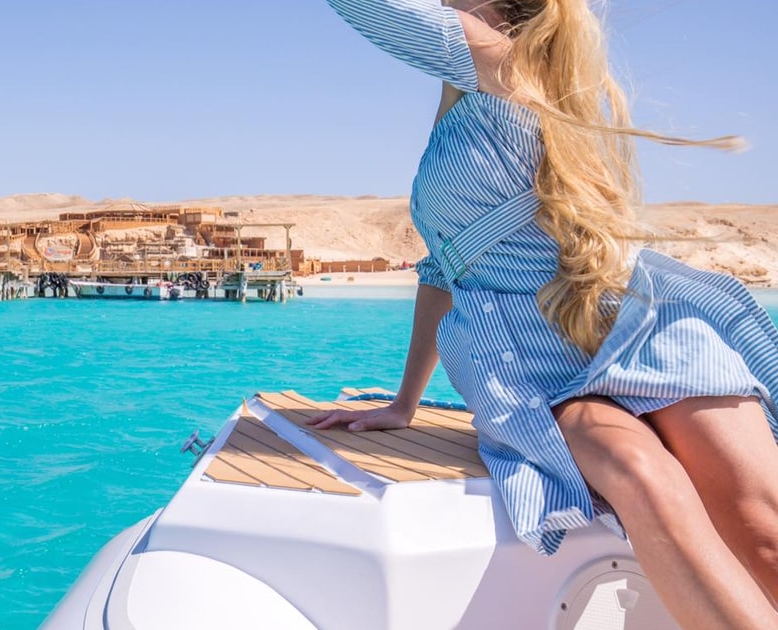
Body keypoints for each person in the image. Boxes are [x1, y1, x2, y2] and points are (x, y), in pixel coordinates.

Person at [307, 0, 778, 626]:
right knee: (642, 477)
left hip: (636, 319)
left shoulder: (492, 55)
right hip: (525, 354)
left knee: (763, 520)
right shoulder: (476, 87)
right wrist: (404, 403)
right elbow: (444, 273)